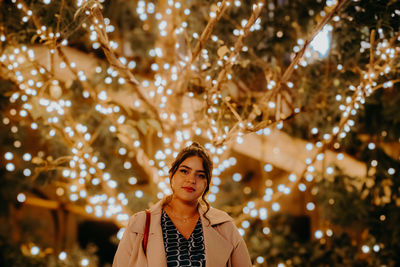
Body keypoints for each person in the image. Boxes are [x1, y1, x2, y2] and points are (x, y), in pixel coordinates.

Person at [113, 142, 252, 267]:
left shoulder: (224, 226)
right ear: (171, 175)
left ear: (206, 184)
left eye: (200, 175)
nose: (191, 179)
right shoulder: (140, 224)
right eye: (184, 171)